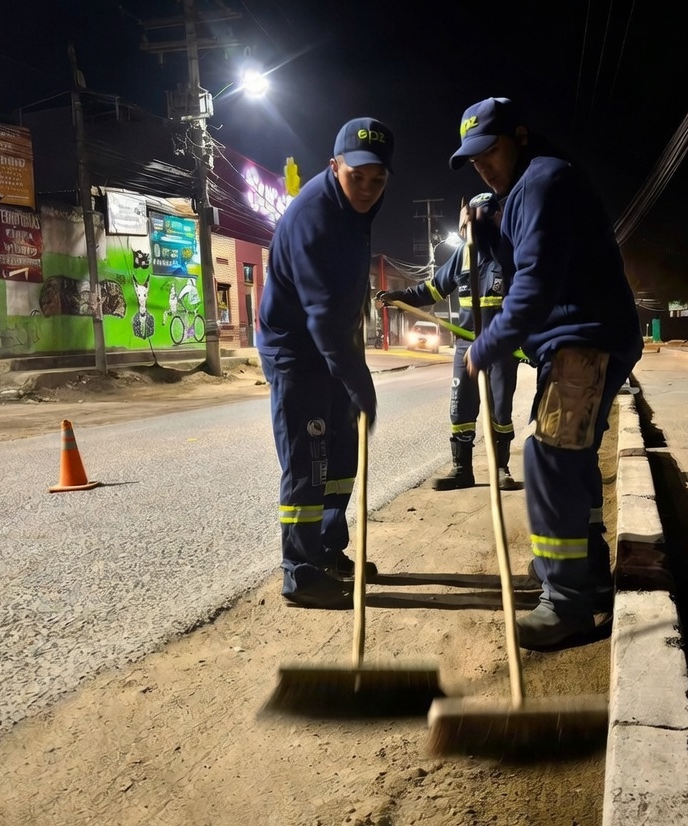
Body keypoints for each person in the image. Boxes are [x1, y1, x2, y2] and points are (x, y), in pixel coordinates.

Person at [448, 97, 643, 649]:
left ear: (520, 135)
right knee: (568, 458)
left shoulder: (541, 182)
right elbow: (521, 253)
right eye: (473, 158)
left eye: (490, 149)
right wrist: (487, 230)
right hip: (582, 341)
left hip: (584, 340)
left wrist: (486, 347)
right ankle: (585, 580)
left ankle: (567, 604)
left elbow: (533, 285)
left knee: (551, 459)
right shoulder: (530, 187)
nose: (482, 163)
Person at [255, 117, 394, 610]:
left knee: (340, 455)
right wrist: (362, 384)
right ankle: (301, 572)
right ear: (334, 166)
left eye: (378, 181)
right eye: (357, 178)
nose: (368, 190)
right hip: (297, 350)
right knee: (307, 463)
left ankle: (330, 550)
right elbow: (322, 319)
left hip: (331, 347)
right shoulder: (315, 217)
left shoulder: (354, 206)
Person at [376, 192, 521, 492]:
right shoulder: (463, 256)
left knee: (500, 413)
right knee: (461, 411)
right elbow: (430, 290)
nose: (474, 229)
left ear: (496, 218)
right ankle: (462, 470)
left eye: (482, 219)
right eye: (470, 223)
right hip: (467, 347)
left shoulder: (510, 254)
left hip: (500, 348)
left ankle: (501, 469)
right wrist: (398, 296)